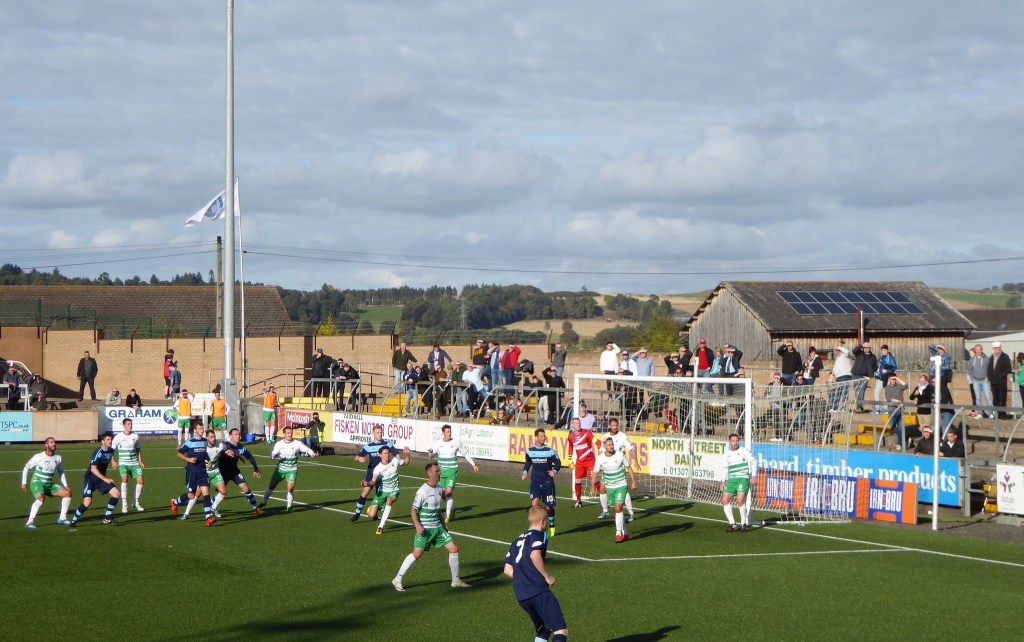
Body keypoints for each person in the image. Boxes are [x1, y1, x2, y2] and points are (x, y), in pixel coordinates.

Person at [391, 462, 471, 592]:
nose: (440, 473)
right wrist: (417, 525)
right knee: (417, 554)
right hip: (425, 529)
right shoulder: (423, 491)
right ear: (429, 473)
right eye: (437, 471)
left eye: (439, 471)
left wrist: (443, 523)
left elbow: (437, 510)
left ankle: (456, 581)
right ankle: (397, 579)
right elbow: (413, 510)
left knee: (454, 549)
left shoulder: (439, 488)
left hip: (438, 528)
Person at [504, 505, 569, 642]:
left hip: (522, 595)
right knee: (560, 630)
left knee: (544, 628)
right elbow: (535, 555)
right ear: (543, 522)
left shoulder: (516, 541)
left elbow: (507, 569)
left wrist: (524, 578)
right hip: (537, 591)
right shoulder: (540, 535)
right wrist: (547, 576)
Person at [428, 424, 480, 524]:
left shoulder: (456, 442)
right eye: (447, 432)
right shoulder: (438, 443)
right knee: (443, 494)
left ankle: (447, 517)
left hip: (452, 471)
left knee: (449, 493)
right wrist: (430, 452)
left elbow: (465, 453)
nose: (449, 433)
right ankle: (452, 507)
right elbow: (431, 456)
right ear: (443, 433)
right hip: (441, 472)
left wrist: (473, 465)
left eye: (450, 431)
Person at [68, 433, 121, 527]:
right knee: (87, 502)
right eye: (108, 439)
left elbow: (111, 454)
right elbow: (93, 469)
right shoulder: (98, 452)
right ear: (102, 441)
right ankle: (74, 520)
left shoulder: (111, 450)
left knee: (116, 493)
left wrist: (113, 462)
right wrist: (106, 479)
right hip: (91, 479)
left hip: (101, 479)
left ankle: (107, 518)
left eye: (111, 439)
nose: (110, 441)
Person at [259, 427, 318, 512]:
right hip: (280, 469)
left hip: (292, 469)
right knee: (271, 486)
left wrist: (312, 453)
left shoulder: (297, 443)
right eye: (288, 433)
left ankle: (289, 506)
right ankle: (264, 502)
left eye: (291, 433)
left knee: (290, 488)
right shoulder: (279, 444)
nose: (290, 434)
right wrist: (273, 456)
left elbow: (307, 449)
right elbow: (271, 456)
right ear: (284, 434)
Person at [593, 436, 638, 543]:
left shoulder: (620, 455)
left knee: (618, 508)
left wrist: (634, 481)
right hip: (610, 488)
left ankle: (618, 534)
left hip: (621, 485)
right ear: (604, 446)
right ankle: (625, 533)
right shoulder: (600, 458)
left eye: (612, 444)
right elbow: (595, 472)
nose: (611, 446)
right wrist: (592, 486)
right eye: (609, 445)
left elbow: (629, 467)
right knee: (618, 511)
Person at [350, 426, 400, 522]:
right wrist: (359, 458)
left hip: (384, 474)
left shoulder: (387, 444)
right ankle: (357, 514)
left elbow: (396, 454)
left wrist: (397, 461)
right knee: (365, 491)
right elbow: (356, 457)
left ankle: (375, 514)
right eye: (378, 432)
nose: (380, 434)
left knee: (380, 495)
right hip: (371, 473)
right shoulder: (368, 446)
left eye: (381, 432)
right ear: (373, 433)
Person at [170, 421, 215, 525]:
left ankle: (208, 518)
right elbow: (179, 454)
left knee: (206, 492)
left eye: (203, 428)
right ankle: (175, 502)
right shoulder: (189, 442)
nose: (202, 430)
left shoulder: (205, 441)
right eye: (200, 429)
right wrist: (188, 459)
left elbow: (204, 453)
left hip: (202, 472)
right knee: (191, 495)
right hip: (192, 473)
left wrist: (209, 460)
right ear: (195, 430)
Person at [21, 436, 73, 528]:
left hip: (48, 484)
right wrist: (24, 483)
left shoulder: (58, 458)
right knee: (41, 498)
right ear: (46, 445)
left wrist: (66, 485)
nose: (54, 444)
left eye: (54, 442)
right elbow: (26, 467)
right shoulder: (39, 456)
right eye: (51, 442)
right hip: (37, 482)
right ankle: (30, 522)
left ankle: (62, 518)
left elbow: (61, 472)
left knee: (67, 493)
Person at [214, 428, 265, 516]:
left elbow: (250, 456)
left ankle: (256, 509)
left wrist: (256, 468)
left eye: (239, 434)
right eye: (236, 435)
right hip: (223, 472)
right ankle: (212, 508)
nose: (238, 436)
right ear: (230, 436)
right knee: (222, 492)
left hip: (234, 471)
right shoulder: (225, 446)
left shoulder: (241, 447)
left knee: (245, 487)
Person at [521, 428, 561, 538]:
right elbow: (528, 463)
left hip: (547, 482)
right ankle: (536, 528)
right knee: (534, 505)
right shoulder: (530, 450)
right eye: (542, 436)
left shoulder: (549, 450)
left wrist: (554, 471)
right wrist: (525, 472)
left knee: (548, 507)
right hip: (535, 481)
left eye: (544, 436)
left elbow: (558, 462)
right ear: (536, 437)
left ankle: (552, 524)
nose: (544, 438)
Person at [366, 445, 411, 535]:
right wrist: (367, 483)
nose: (387, 455)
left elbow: (406, 462)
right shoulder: (377, 469)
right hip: (382, 492)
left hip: (394, 490)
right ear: (380, 455)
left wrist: (407, 455)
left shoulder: (395, 461)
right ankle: (379, 507)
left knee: (389, 501)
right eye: (384, 453)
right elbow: (373, 481)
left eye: (388, 453)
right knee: (371, 515)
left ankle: (380, 526)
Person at [597, 418, 636, 521]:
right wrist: (600, 463)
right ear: (609, 426)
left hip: (619, 467)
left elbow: (631, 448)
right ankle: (605, 511)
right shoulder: (605, 437)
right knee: (601, 488)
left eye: (616, 425)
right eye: (613, 425)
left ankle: (631, 512)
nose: (614, 427)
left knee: (623, 489)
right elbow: (601, 451)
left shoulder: (622, 436)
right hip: (608, 468)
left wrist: (636, 461)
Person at [721, 432, 757, 532]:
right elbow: (725, 468)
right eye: (733, 441)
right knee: (725, 500)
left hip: (743, 478)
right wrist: (723, 481)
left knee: (740, 500)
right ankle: (732, 523)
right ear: (730, 442)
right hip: (732, 480)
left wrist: (753, 476)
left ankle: (743, 523)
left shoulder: (744, 451)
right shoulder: (726, 454)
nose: (735, 443)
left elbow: (753, 461)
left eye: (737, 441)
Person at [111, 418, 145, 513]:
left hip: (134, 463)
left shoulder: (135, 436)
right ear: (124, 425)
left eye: (131, 424)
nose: (130, 426)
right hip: (123, 463)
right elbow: (111, 451)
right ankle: (124, 505)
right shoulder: (118, 437)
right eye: (128, 424)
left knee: (141, 481)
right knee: (125, 480)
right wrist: (113, 462)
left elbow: (138, 449)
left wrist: (140, 462)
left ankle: (136, 502)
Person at [568, 417, 596, 508]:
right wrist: (569, 459)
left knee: (595, 479)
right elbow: (570, 447)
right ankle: (578, 501)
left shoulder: (587, 432)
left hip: (590, 460)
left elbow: (595, 440)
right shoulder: (571, 436)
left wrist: (600, 447)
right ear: (573, 425)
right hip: (580, 461)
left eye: (579, 423)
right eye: (576, 423)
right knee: (577, 480)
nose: (578, 424)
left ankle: (605, 499)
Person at [882, 376, 912, 450]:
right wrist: (896, 400)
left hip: (900, 409)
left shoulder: (899, 386)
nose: (893, 380)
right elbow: (888, 398)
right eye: (892, 379)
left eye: (894, 379)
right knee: (892, 426)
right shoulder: (887, 388)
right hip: (892, 409)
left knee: (900, 427)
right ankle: (906, 437)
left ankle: (900, 444)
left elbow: (906, 385)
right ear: (889, 379)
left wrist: (897, 378)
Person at [967, 344, 993, 419]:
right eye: (976, 349)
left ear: (982, 349)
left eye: (979, 349)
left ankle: (991, 413)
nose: (978, 351)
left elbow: (990, 369)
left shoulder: (987, 359)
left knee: (988, 397)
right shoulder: (971, 360)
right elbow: (969, 370)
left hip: (985, 381)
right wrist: (973, 378)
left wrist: (988, 377)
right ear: (975, 350)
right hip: (976, 381)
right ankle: (980, 413)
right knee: (978, 398)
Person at [851, 342, 878, 412]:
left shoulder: (873, 357)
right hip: (856, 374)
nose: (866, 349)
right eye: (865, 348)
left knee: (861, 391)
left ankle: (859, 407)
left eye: (867, 348)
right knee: (857, 391)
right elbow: (854, 351)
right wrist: (861, 345)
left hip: (865, 377)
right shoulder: (859, 353)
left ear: (870, 348)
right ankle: (859, 406)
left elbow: (876, 366)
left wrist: (872, 370)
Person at [988, 342, 1013, 419]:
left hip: (1002, 382)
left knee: (1002, 398)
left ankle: (1003, 414)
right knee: (995, 398)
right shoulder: (992, 357)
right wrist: (990, 377)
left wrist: (1001, 376)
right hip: (993, 382)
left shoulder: (1005, 357)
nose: (997, 349)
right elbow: (989, 368)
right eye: (995, 348)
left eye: (998, 348)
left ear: (1000, 348)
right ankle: (997, 413)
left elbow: (1008, 369)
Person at [873, 345, 898, 412]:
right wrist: (877, 374)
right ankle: (877, 408)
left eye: (885, 350)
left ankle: (885, 408)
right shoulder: (882, 357)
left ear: (887, 350)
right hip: (880, 377)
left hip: (888, 377)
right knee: (876, 391)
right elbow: (880, 367)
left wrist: (887, 371)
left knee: (886, 393)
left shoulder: (890, 358)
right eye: (882, 350)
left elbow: (894, 367)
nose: (884, 351)